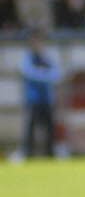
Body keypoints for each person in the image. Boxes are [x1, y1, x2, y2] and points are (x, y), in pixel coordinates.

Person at [18, 30, 63, 158]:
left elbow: (57, 74)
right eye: (35, 42)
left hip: (47, 99)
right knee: (30, 129)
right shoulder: (27, 58)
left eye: (40, 42)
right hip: (33, 99)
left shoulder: (47, 59)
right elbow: (29, 73)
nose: (38, 45)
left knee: (50, 128)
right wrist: (45, 74)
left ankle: (51, 154)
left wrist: (43, 74)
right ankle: (26, 153)